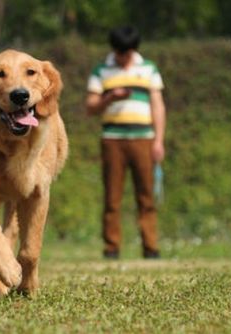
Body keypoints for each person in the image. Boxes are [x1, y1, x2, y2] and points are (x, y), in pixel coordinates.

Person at [86, 25, 166, 259]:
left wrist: (159, 140)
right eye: (121, 53)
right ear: (114, 50)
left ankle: (150, 247)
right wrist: (109, 98)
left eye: (128, 53)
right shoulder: (102, 71)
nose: (124, 57)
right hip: (113, 140)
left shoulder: (149, 69)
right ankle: (112, 247)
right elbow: (90, 107)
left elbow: (158, 106)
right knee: (112, 196)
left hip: (145, 139)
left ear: (134, 50)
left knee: (146, 195)